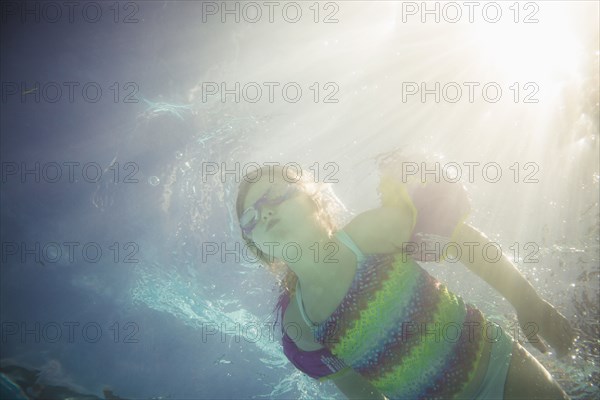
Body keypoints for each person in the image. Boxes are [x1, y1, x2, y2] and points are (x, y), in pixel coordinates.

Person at [235, 163, 575, 400]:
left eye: (277, 194)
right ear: (258, 247)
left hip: (501, 367)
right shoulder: (300, 326)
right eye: (251, 216)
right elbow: (363, 395)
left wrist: (526, 301)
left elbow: (462, 241)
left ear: (314, 200)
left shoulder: (365, 236)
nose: (265, 212)